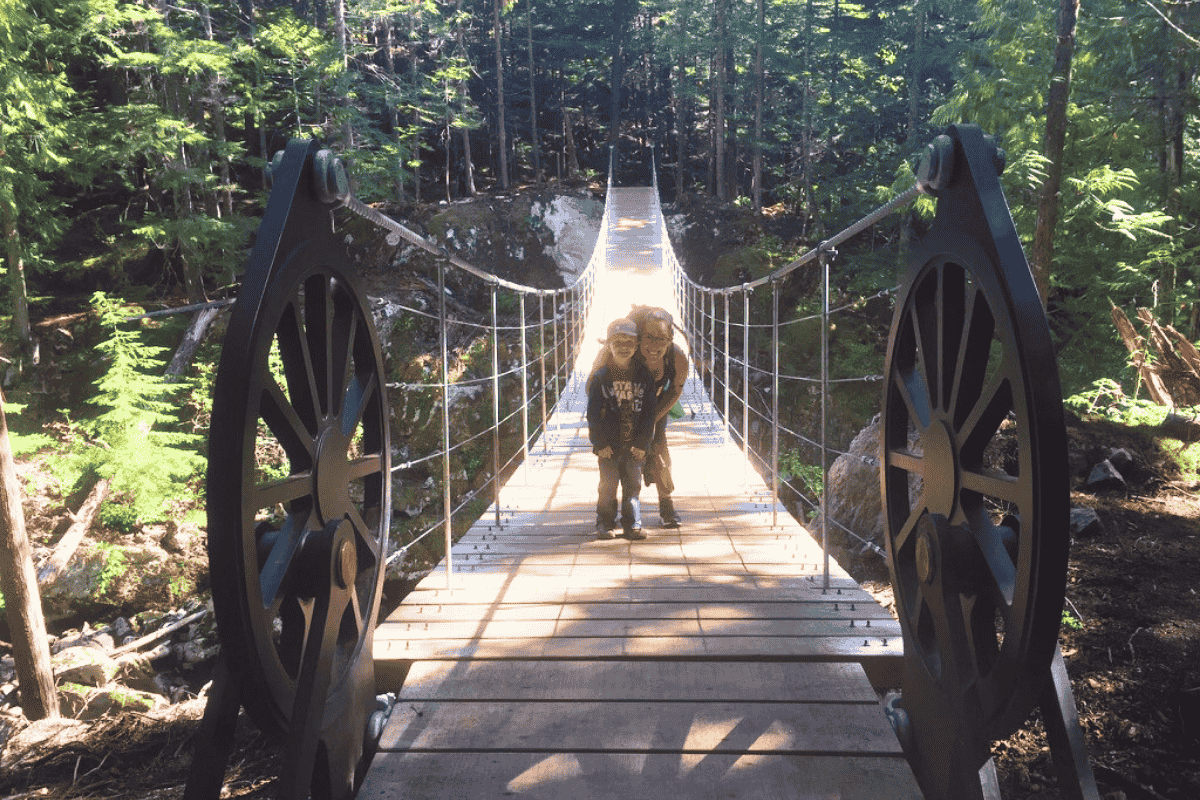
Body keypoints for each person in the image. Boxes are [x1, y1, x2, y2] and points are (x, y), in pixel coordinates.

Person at [587, 318, 657, 540]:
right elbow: (593, 415)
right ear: (609, 345)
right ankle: (605, 523)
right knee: (607, 487)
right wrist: (599, 443)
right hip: (609, 445)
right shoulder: (600, 378)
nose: (624, 348)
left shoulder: (644, 376)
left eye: (629, 343)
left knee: (633, 487)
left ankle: (632, 525)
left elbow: (649, 415)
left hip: (634, 445)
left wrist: (643, 443)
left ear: (636, 345)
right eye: (618, 343)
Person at [630, 306, 689, 528]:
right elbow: (594, 384)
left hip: (658, 402)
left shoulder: (677, 357)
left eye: (661, 339)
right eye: (649, 337)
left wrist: (650, 420)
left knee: (658, 446)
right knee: (623, 454)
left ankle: (667, 506)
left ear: (670, 339)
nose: (655, 345)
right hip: (623, 401)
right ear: (639, 337)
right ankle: (619, 509)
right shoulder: (626, 349)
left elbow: (675, 390)